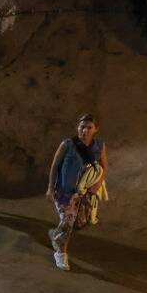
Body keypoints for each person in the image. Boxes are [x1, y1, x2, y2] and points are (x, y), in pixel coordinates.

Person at [46, 113, 109, 271]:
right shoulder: (67, 144)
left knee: (79, 222)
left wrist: (96, 186)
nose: (85, 130)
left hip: (84, 193)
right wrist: (50, 187)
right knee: (68, 221)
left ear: (96, 129)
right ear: (77, 128)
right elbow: (55, 166)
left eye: (89, 127)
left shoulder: (99, 146)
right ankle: (61, 255)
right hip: (64, 191)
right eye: (82, 127)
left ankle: (56, 235)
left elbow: (104, 166)